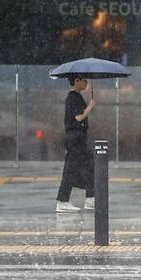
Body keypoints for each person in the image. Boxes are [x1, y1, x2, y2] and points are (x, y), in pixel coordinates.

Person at [55, 75, 96, 213]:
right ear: (77, 81)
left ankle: (91, 198)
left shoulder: (76, 96)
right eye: (84, 80)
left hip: (79, 137)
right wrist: (90, 106)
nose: (86, 82)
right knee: (71, 169)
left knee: (89, 165)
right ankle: (62, 200)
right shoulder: (73, 97)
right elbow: (78, 117)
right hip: (75, 138)